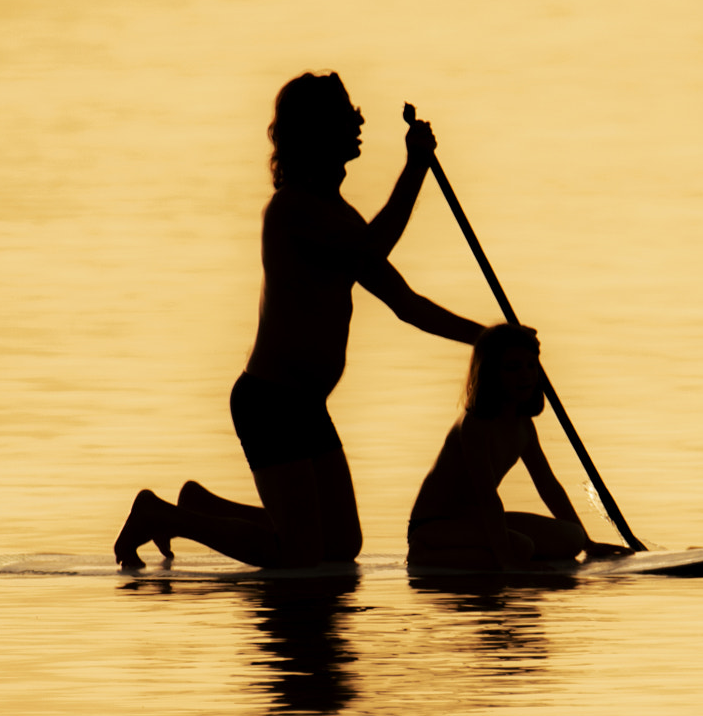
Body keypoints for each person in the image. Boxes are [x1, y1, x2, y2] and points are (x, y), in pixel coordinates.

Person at [115, 73, 488, 570]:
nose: (359, 126)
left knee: (340, 545)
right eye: (344, 119)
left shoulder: (340, 215)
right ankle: (162, 516)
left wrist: (489, 339)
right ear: (315, 134)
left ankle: (202, 507)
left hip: (307, 405)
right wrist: (416, 167)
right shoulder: (292, 211)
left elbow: (407, 304)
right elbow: (375, 246)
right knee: (301, 555)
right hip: (271, 402)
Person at [406, 324, 630, 572]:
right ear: (492, 373)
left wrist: (588, 543)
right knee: (520, 548)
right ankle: (424, 554)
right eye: (512, 368)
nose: (525, 375)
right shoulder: (475, 424)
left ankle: (488, 553)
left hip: (474, 520)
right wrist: (507, 560)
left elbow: (547, 484)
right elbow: (487, 496)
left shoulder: (523, 424)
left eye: (531, 366)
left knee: (571, 538)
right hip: (434, 525)